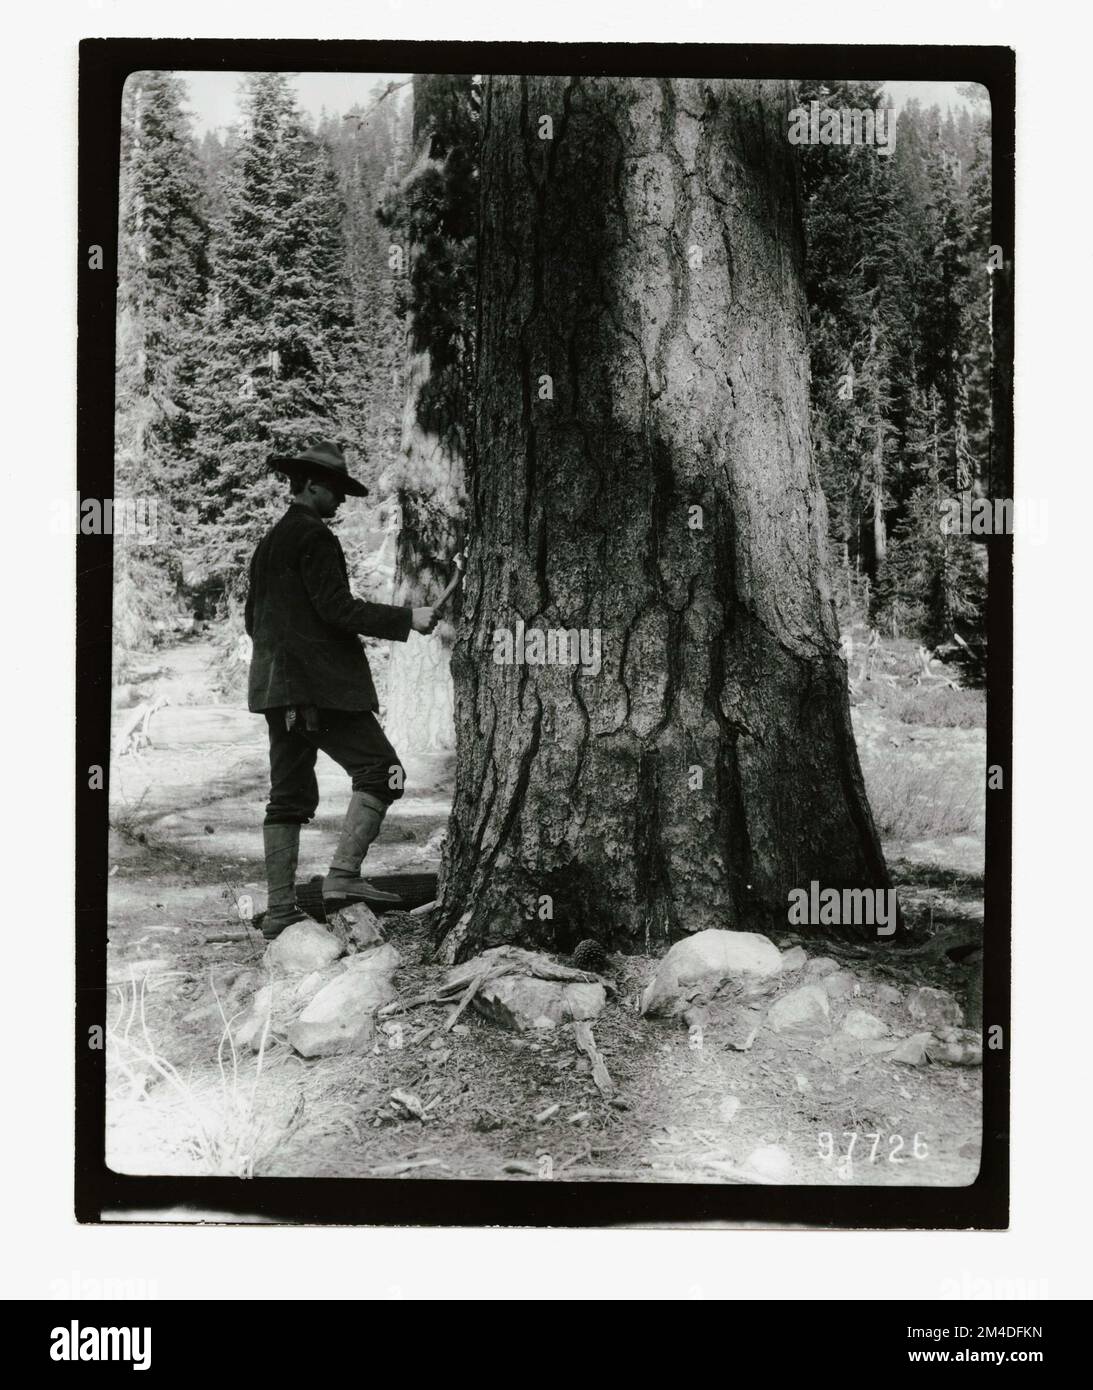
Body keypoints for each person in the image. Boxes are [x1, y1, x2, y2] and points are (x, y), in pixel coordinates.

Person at [245, 441, 438, 938]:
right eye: (335, 491)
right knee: (384, 772)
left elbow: (252, 622)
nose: (342, 502)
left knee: (286, 797)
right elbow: (337, 610)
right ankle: (343, 879)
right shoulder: (314, 537)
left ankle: (282, 911)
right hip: (318, 693)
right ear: (311, 486)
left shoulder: (270, 542)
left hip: (276, 693)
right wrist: (407, 618)